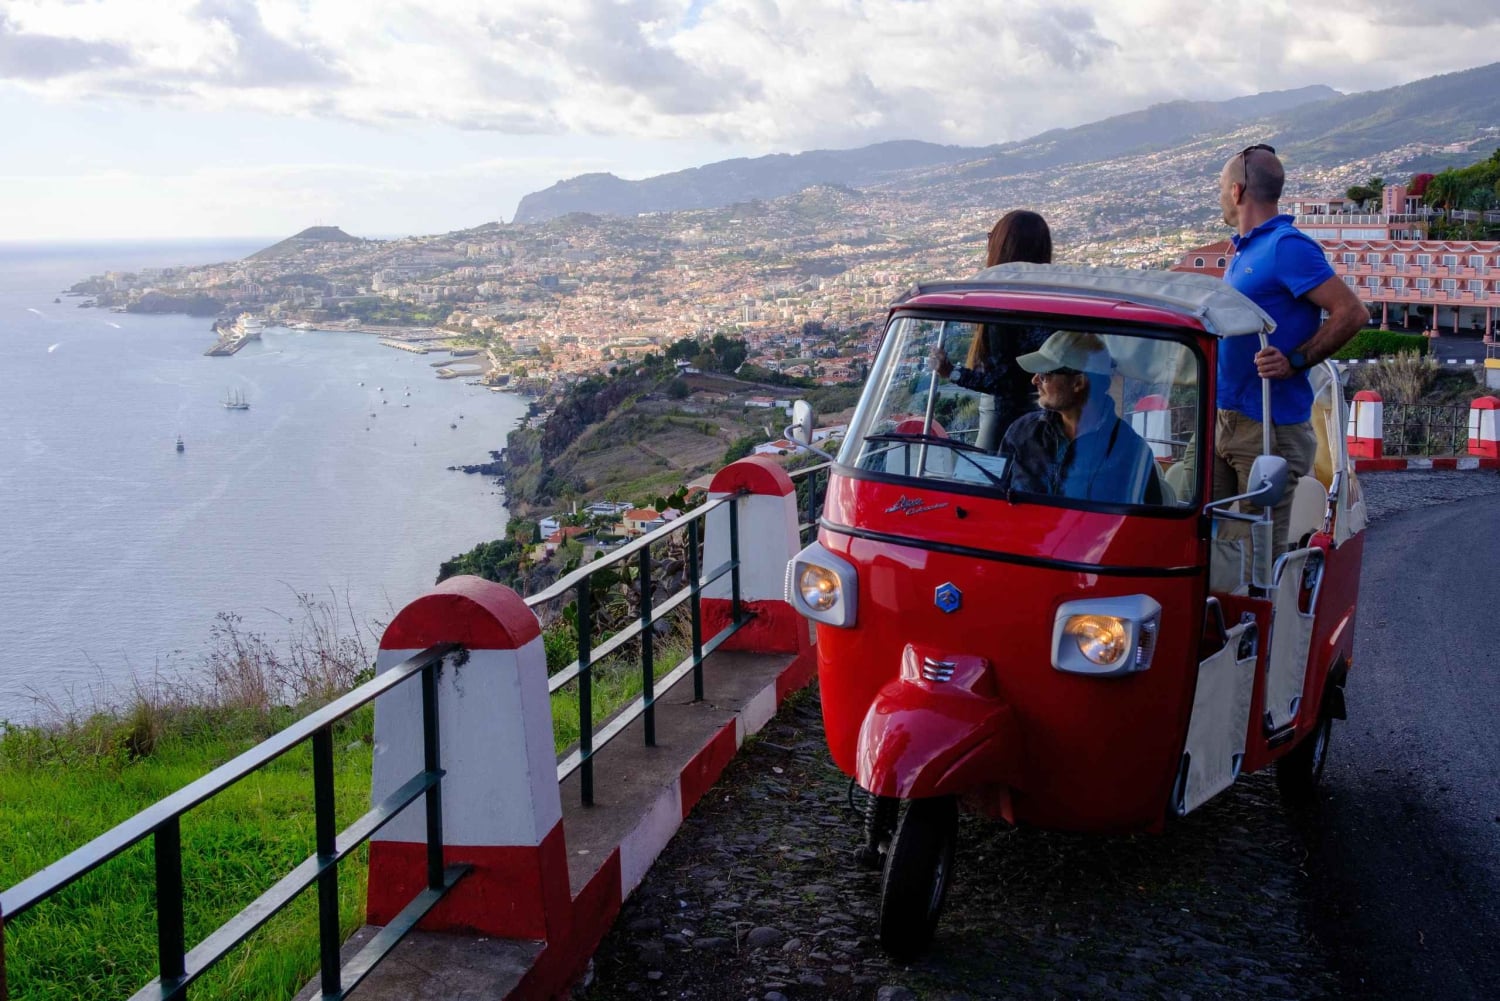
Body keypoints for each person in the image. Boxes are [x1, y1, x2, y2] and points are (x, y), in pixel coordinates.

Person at [1215, 144, 1367, 556]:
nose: (1220, 196)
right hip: (1225, 417)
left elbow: (1352, 312)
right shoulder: (1246, 248)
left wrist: (1296, 361)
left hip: (1268, 426)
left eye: (1221, 188)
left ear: (1237, 190)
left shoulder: (1286, 246)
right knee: (1203, 536)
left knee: (1259, 552)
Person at [929, 210, 1053, 448]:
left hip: (1003, 417)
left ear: (1003, 246)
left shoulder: (1002, 304)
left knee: (982, 470)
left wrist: (951, 372)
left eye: (991, 237)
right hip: (1046, 414)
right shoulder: (1050, 299)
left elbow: (1003, 382)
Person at [998, 331, 1162, 504]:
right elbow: (995, 491)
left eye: (1045, 374)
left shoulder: (1131, 452)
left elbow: (1147, 516)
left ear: (1078, 383)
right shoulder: (1022, 431)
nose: (1034, 380)